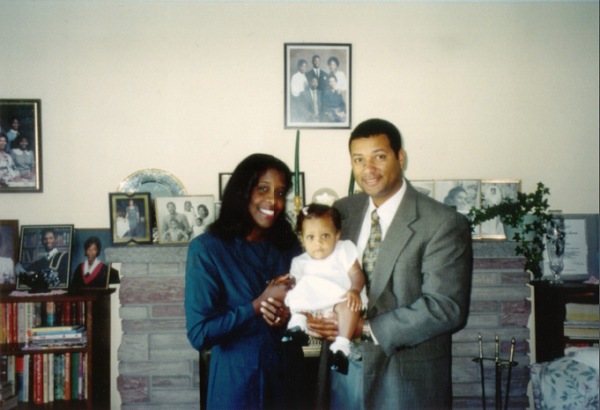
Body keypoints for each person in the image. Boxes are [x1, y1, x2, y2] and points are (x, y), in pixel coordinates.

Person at [306, 118, 473, 410]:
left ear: (400, 157)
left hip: (405, 379)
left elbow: (446, 307)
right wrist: (312, 313)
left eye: (379, 157)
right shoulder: (343, 212)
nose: (368, 169)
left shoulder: (442, 222)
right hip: (342, 374)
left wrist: (365, 330)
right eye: (359, 160)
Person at [185, 153, 304, 410]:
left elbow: (301, 310)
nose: (273, 201)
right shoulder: (207, 249)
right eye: (263, 189)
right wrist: (256, 306)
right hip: (236, 386)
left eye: (281, 192)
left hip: (287, 382)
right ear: (242, 191)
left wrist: (286, 318)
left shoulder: (289, 247)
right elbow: (199, 334)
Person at [284, 203, 366, 375]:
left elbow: (357, 273)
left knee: (349, 305)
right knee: (297, 295)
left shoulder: (343, 250)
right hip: (315, 306)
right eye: (311, 237)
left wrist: (355, 290)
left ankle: (341, 349)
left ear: (337, 235)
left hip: (339, 300)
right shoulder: (300, 262)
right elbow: (293, 288)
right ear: (302, 238)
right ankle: (296, 328)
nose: (318, 242)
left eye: (325, 235)